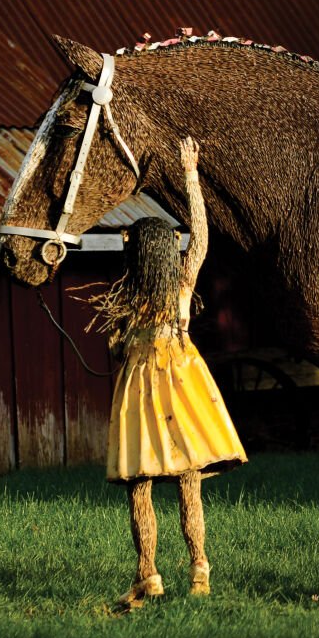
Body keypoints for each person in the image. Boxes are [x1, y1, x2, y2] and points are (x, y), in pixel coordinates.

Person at [89, 137, 244, 609]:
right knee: (188, 482)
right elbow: (200, 236)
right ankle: (200, 568)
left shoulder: (127, 300)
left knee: (141, 486)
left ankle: (148, 575)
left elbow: (117, 349)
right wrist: (191, 178)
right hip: (182, 391)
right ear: (166, 253)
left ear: (137, 256)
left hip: (139, 393)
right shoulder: (180, 285)